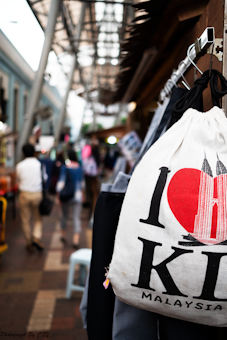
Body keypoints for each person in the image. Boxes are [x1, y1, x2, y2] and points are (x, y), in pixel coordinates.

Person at [16, 143, 45, 252]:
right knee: (38, 218)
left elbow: (18, 179)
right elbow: (44, 178)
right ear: (34, 152)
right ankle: (36, 237)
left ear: (23, 153)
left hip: (24, 193)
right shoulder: (39, 164)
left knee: (25, 219)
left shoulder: (20, 165)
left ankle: (29, 241)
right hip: (37, 193)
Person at [56, 149, 85, 249]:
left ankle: (63, 235)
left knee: (64, 215)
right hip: (77, 196)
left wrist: (58, 195)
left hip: (66, 195)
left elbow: (61, 182)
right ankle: (75, 240)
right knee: (76, 217)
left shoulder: (65, 168)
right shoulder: (80, 168)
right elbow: (82, 184)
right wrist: (83, 195)